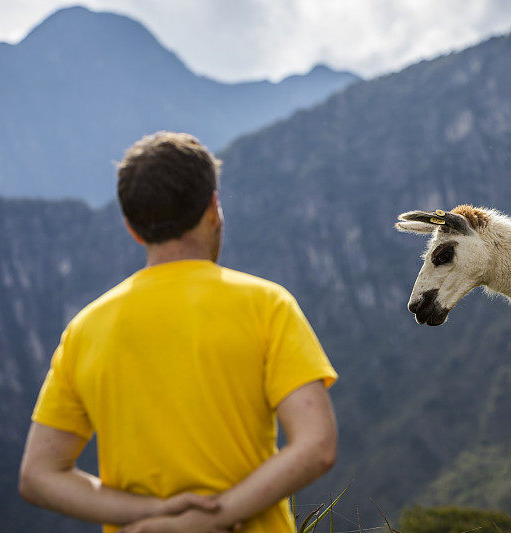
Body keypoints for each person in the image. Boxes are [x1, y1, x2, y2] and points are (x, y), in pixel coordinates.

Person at [18, 131, 339, 533]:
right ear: (212, 207)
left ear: (132, 228)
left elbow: (38, 475)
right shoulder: (266, 305)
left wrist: (152, 515)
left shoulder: (85, 330)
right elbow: (317, 446)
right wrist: (214, 515)